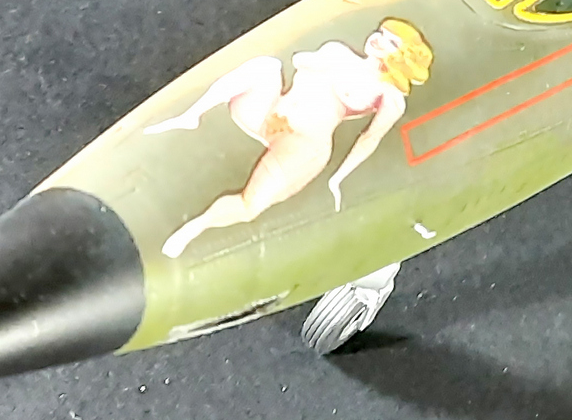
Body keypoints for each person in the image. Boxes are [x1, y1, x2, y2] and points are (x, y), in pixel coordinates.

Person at [148, 19, 434, 258]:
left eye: (391, 42)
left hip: (305, 145)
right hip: (271, 115)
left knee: (251, 206)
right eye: (381, 33)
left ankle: (196, 227)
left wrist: (338, 178)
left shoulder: (390, 97)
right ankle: (191, 115)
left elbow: (369, 139)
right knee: (266, 66)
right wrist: (326, 64)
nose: (378, 40)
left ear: (403, 57)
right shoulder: (337, 51)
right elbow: (299, 60)